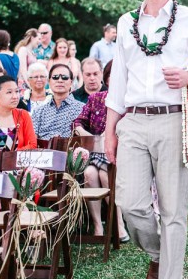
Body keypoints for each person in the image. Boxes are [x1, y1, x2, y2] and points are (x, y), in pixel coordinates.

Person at [104, 0, 188, 279]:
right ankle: (157, 252)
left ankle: (170, 274)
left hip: (174, 119)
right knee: (131, 204)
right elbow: (118, 83)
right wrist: (110, 131)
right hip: (134, 121)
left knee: (173, 211)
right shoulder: (127, 22)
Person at [72, 61, 130, 242]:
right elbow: (77, 122)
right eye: (112, 76)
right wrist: (83, 131)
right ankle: (98, 224)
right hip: (96, 152)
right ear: (107, 79)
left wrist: (114, 132)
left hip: (121, 152)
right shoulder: (96, 98)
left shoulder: (131, 100)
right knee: (89, 173)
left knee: (106, 175)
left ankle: (118, 224)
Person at [0, 75, 37, 151]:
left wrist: (11, 157)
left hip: (18, 162)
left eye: (17, 91)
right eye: (9, 92)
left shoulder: (23, 114)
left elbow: (32, 144)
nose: (15, 96)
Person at [32, 64, 84, 140]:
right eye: (55, 77)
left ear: (71, 82)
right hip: (43, 150)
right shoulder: (39, 112)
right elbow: (32, 140)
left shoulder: (82, 109)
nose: (60, 80)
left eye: (64, 77)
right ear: (49, 82)